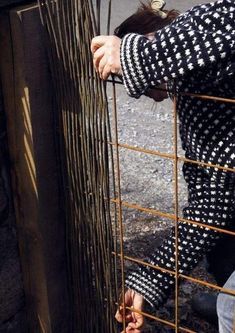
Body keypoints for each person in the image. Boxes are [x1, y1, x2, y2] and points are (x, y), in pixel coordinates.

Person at [91, 0, 235, 331]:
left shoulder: (211, 26)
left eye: (134, 79)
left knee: (230, 309)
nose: (142, 93)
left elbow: (226, 22)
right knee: (223, 249)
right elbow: (211, 206)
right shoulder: (198, 100)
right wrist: (148, 284)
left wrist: (142, 55)